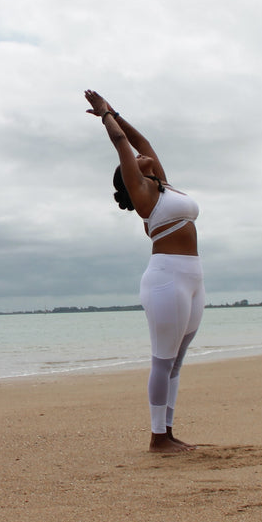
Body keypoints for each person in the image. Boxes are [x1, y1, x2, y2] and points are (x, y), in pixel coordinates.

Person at [84, 89, 204, 454]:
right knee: (162, 359)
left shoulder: (163, 186)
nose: (140, 156)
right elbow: (122, 143)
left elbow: (141, 140)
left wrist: (117, 112)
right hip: (166, 278)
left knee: (177, 362)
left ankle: (168, 431)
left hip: (193, 277)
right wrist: (106, 117)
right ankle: (157, 438)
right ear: (131, 176)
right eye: (134, 160)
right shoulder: (144, 195)